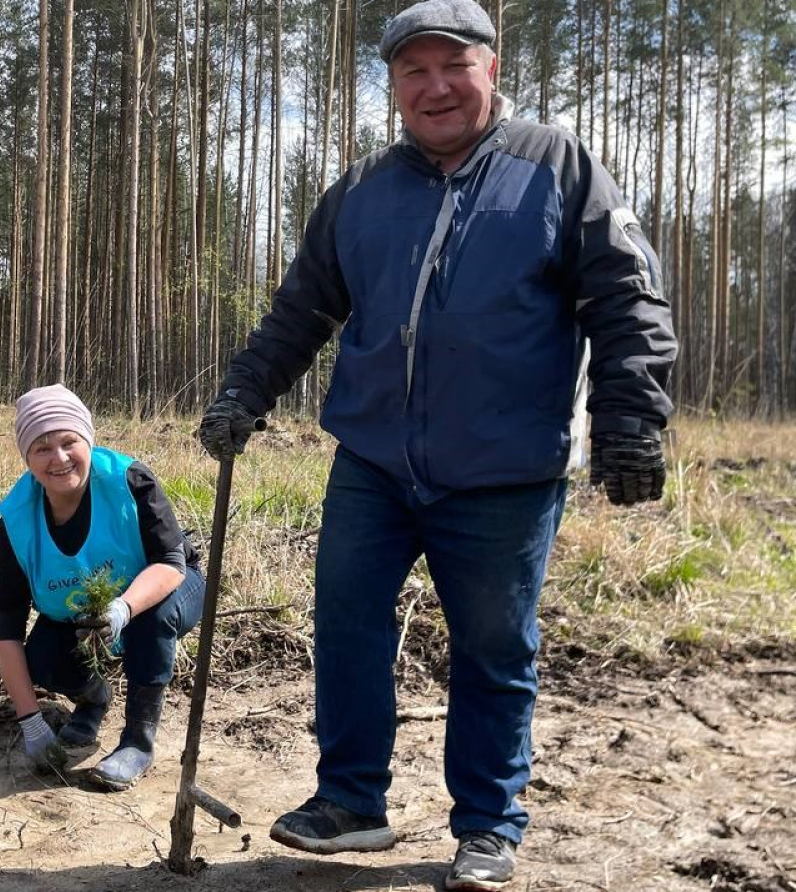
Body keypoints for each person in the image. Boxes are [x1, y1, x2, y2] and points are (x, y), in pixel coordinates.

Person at [197, 0, 677, 887]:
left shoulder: (558, 168)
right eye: (413, 70)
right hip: (374, 461)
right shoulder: (361, 191)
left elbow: (626, 300)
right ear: (393, 85)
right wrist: (245, 391)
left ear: (492, 69)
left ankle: (488, 823)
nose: (436, 87)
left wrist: (631, 417)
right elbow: (302, 310)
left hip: (504, 468)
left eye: (454, 65)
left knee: (494, 647)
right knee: (346, 623)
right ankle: (350, 802)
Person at [0, 383, 204, 791]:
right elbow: (6, 630)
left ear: (88, 440)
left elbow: (170, 564)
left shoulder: (130, 481)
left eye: (69, 442)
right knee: (43, 656)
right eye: (42, 448)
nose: (59, 458)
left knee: (152, 616)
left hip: (169, 589)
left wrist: (123, 608)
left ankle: (137, 742)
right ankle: (93, 700)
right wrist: (31, 721)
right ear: (27, 458)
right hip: (80, 615)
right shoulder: (16, 523)